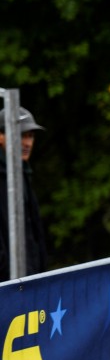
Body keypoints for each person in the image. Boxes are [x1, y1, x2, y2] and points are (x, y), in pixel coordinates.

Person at [0, 107, 48, 281]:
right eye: (21, 135)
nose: (27, 143)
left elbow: (34, 237)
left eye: (30, 136)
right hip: (9, 290)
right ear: (1, 136)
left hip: (31, 285)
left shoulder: (23, 173)